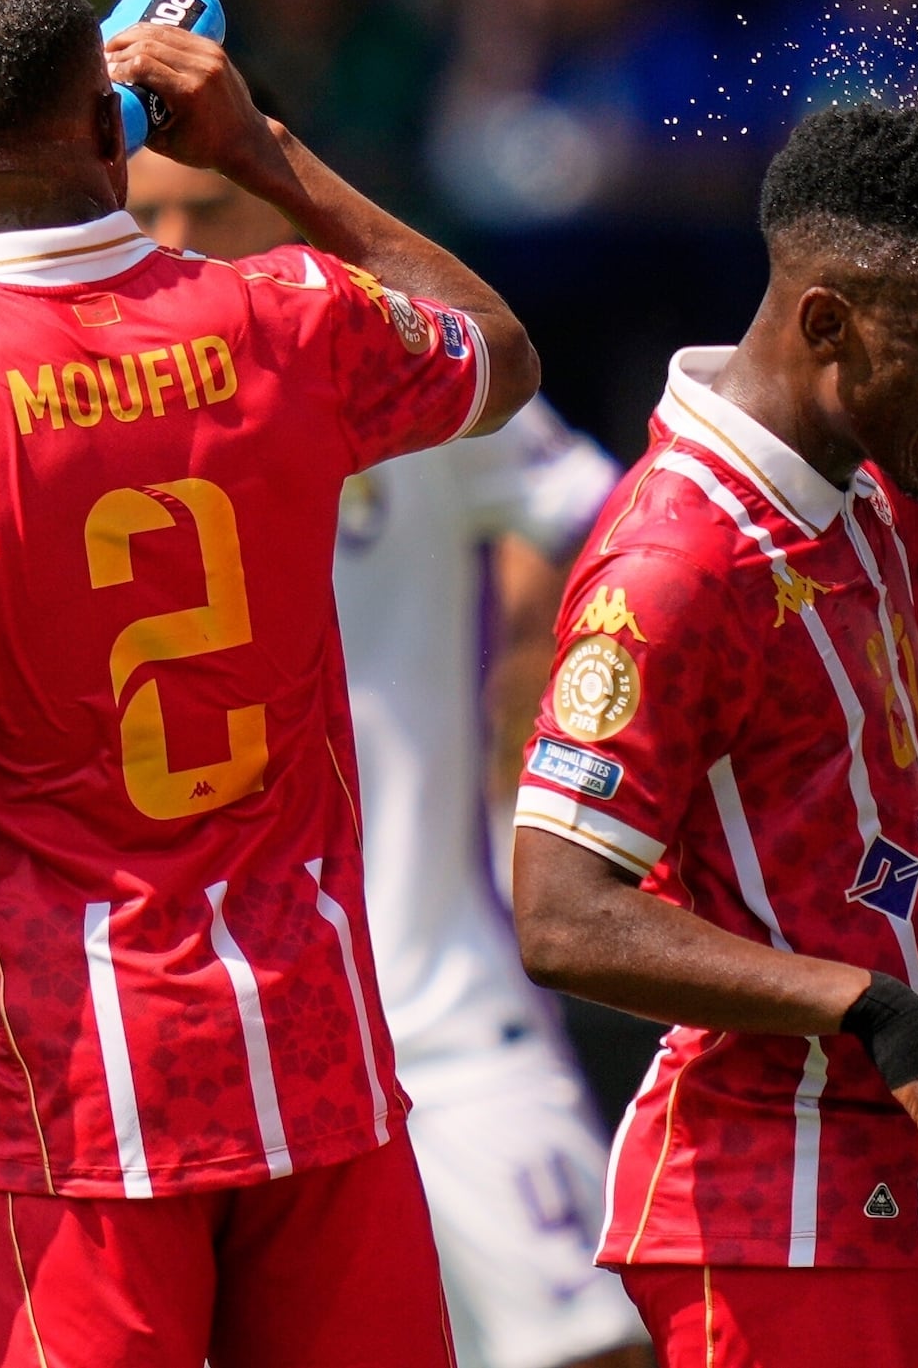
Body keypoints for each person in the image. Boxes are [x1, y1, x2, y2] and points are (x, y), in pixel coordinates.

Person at [0, 0, 539, 1367]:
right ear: (115, 129)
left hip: (70, 1111)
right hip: (314, 1065)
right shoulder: (287, 317)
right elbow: (500, 354)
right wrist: (267, 154)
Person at [506, 104, 918, 1368]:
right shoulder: (674, 562)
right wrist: (868, 1006)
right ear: (828, 322)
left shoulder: (858, 479)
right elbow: (561, 911)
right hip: (773, 1215)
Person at [124, 145, 650, 1368]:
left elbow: (607, 522)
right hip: (206, 1007)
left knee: (592, 1343)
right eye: (148, 212)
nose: (182, 238)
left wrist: (553, 663)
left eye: (210, 204)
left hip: (429, 982)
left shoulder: (383, 354)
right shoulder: (85, 396)